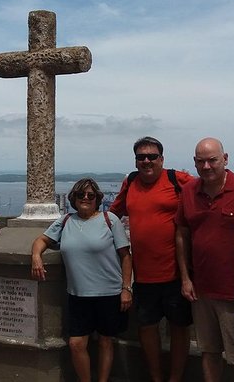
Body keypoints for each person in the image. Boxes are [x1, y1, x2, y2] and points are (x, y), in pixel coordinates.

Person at [109, 136, 193, 382]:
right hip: (144, 275)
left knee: (179, 328)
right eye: (141, 157)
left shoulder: (177, 180)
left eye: (152, 156)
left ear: (162, 159)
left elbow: (207, 191)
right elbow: (113, 214)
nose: (146, 161)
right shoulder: (131, 182)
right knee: (146, 328)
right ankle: (156, 378)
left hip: (176, 274)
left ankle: (175, 378)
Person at [31, 178, 132, 382]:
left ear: (97, 199)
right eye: (80, 195)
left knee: (105, 341)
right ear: (73, 198)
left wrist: (126, 288)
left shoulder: (109, 219)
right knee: (76, 344)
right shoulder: (66, 220)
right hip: (78, 294)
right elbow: (41, 240)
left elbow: (125, 256)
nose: (85, 198)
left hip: (109, 293)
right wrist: (36, 257)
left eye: (90, 195)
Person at [175, 137, 234, 382]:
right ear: (195, 163)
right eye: (201, 161)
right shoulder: (189, 191)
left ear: (225, 159)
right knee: (208, 351)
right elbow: (182, 233)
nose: (207, 166)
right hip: (201, 290)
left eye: (212, 160)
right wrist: (186, 278)